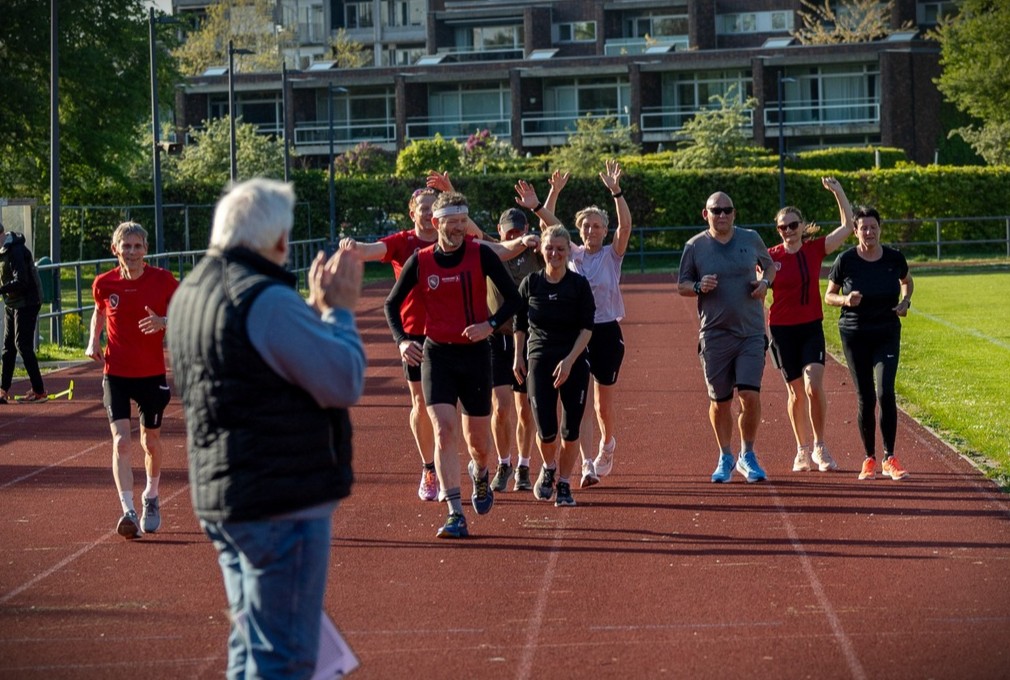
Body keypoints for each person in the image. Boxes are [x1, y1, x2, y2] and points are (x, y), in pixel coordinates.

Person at [167, 178, 366, 679]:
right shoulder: (263, 299)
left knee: (252, 648)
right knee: (284, 658)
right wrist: (337, 311)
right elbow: (342, 380)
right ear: (279, 241)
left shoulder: (190, 290)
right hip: (280, 499)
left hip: (227, 494)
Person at [384, 191, 522, 539]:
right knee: (444, 430)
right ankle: (454, 512)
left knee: (478, 442)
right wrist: (402, 341)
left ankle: (480, 473)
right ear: (436, 223)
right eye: (453, 222)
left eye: (463, 221)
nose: (460, 228)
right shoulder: (421, 260)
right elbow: (391, 304)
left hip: (476, 355)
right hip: (438, 356)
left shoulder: (481, 255)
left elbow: (515, 299)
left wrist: (488, 326)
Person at [514, 160, 631, 488]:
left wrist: (616, 192)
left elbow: (626, 227)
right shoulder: (573, 254)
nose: (592, 231)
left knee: (602, 404)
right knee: (577, 400)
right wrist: (543, 200)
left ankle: (608, 445)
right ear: (579, 231)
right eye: (587, 226)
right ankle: (587, 464)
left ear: (604, 231)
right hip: (576, 333)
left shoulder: (612, 254)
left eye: (597, 226)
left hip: (606, 330)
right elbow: (550, 227)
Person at [85, 222, 178, 538]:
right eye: (126, 246)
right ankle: (128, 511)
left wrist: (163, 320)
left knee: (150, 441)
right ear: (116, 250)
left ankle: (151, 496)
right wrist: (92, 340)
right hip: (115, 373)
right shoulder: (104, 283)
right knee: (121, 442)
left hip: (151, 374)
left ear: (146, 250)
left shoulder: (163, 281)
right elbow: (100, 310)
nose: (132, 252)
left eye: (138, 246)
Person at [677, 192, 775, 483]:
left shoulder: (751, 238)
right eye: (715, 210)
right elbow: (682, 285)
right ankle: (725, 455)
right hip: (715, 334)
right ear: (704, 214)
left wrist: (765, 282)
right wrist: (698, 285)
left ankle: (747, 454)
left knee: (749, 394)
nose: (721, 215)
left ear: (734, 213)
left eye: (727, 210)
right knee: (720, 402)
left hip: (751, 333)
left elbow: (769, 265)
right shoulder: (695, 246)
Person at [768, 177, 854, 473]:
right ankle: (801, 450)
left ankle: (820, 446)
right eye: (783, 227)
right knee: (794, 393)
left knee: (813, 386)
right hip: (781, 330)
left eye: (793, 225)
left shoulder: (815, 249)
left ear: (802, 226)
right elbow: (751, 282)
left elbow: (848, 227)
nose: (789, 231)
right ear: (778, 230)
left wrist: (838, 192)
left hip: (810, 327)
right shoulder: (770, 257)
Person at [825, 206, 914, 481]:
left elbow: (907, 282)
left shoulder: (894, 258)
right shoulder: (846, 260)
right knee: (865, 396)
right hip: (855, 334)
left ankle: (890, 458)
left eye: (873, 227)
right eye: (863, 227)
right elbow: (829, 295)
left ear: (879, 229)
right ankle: (869, 459)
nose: (869, 232)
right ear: (855, 231)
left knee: (885, 392)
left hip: (886, 331)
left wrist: (905, 301)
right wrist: (845, 300)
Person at [513, 224, 595, 507]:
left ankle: (564, 483)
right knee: (545, 429)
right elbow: (519, 323)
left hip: (573, 360)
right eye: (549, 248)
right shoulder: (531, 283)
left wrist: (570, 361)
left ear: (567, 251)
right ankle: (548, 467)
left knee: (570, 429)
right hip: (539, 360)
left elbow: (587, 328)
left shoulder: (579, 285)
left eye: (561, 249)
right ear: (542, 250)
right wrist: (518, 355)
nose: (555, 254)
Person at [487, 207, 543, 494]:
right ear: (499, 229)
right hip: (497, 338)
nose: (513, 235)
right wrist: (449, 188)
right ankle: (503, 463)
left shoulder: (535, 252)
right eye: (508, 231)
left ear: (526, 229)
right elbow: (467, 229)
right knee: (500, 406)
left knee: (525, 409)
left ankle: (523, 465)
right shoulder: (491, 250)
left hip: (529, 337)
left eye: (518, 231)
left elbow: (553, 232)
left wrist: (545, 202)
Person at [0, 220, 46, 403]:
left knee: (22, 344)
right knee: (7, 347)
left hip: (28, 301)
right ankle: (3, 390)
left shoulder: (15, 250)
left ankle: (39, 391)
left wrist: (1, 289)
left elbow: (22, 281)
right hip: (12, 302)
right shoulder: (2, 251)